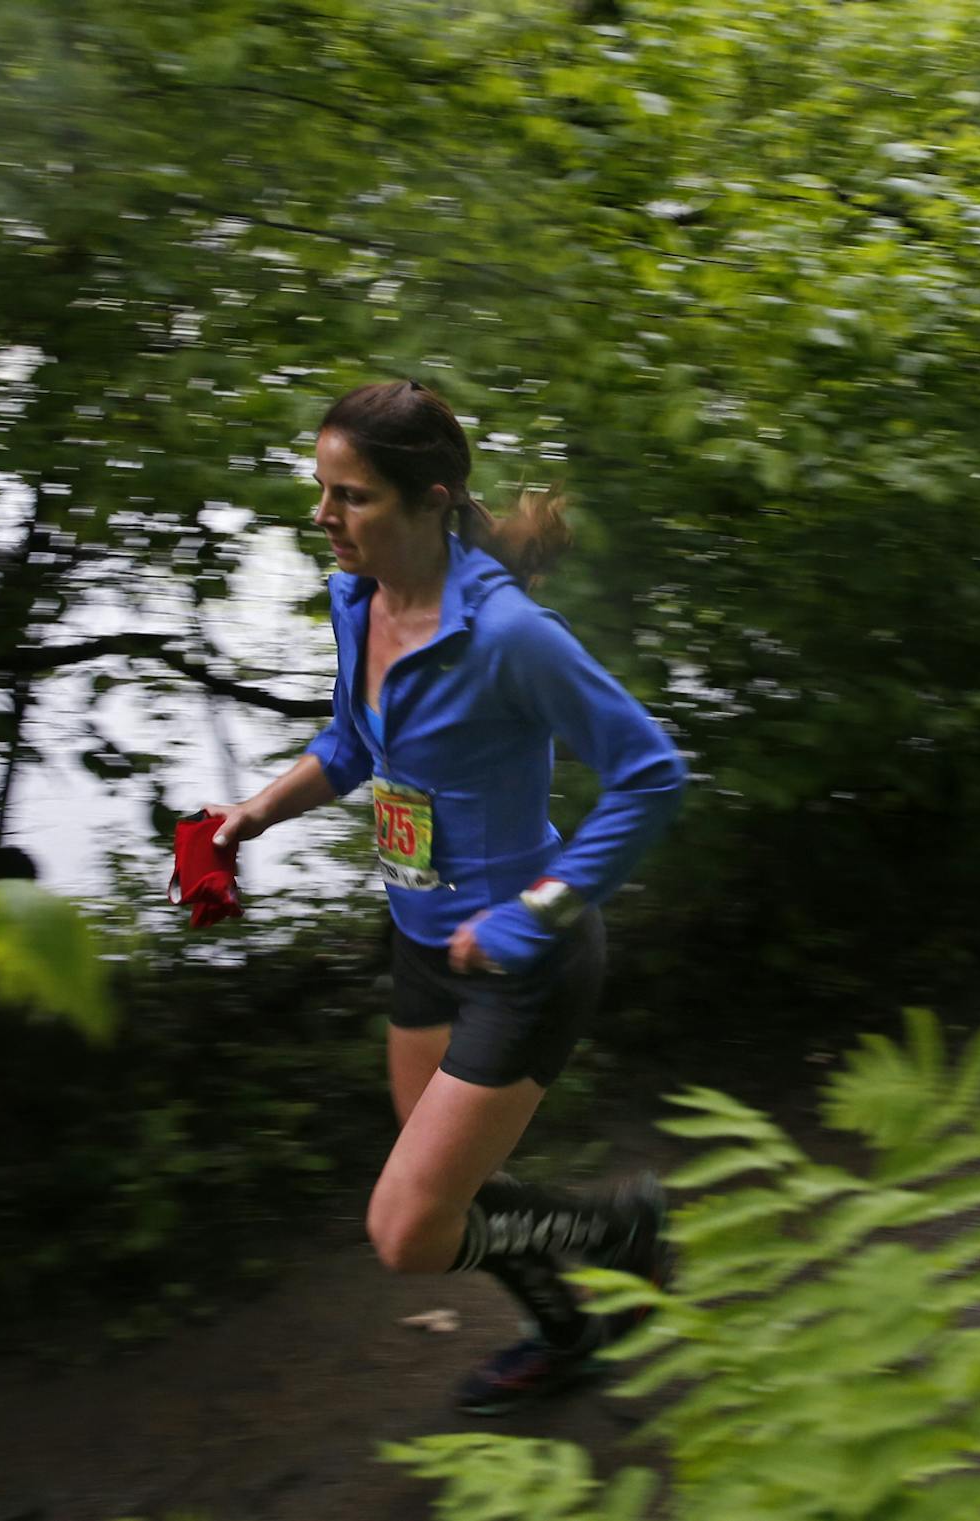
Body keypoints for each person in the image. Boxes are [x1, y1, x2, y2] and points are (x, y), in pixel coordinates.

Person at [205, 379, 687, 1413]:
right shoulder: (360, 603)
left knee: (408, 1228)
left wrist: (538, 910)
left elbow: (651, 771)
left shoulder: (511, 636)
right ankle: (569, 1336)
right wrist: (251, 814)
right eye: (322, 491)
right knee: (449, 1190)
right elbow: (348, 747)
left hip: (528, 957)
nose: (323, 517)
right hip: (424, 938)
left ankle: (617, 1230)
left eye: (351, 498)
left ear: (428, 499)